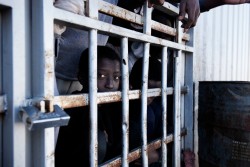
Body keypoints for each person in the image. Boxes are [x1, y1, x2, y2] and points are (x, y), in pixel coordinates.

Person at [55, 46, 122, 166]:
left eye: (116, 77)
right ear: (82, 78)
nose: (110, 85)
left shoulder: (111, 106)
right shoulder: (75, 109)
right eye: (101, 76)